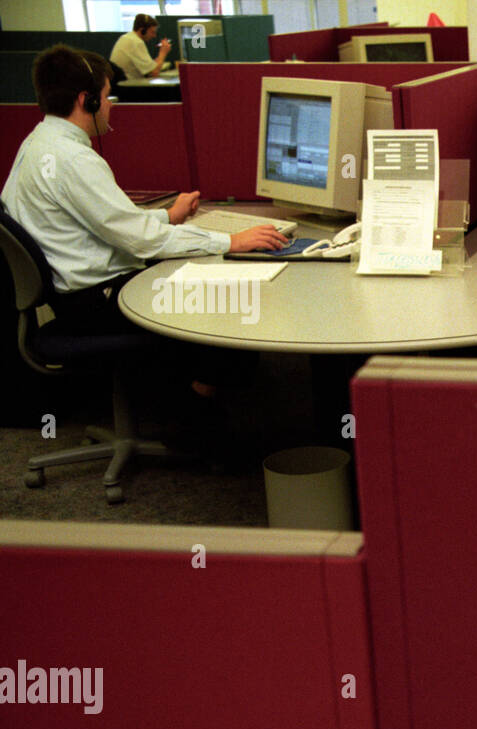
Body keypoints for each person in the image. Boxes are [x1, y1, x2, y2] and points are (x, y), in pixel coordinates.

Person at [3, 47, 288, 457]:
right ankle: (193, 411)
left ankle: (183, 397)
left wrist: (168, 217)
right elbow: (140, 242)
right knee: (239, 302)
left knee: (210, 283)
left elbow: (108, 222)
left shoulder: (37, 144)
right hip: (96, 302)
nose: (111, 106)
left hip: (71, 297)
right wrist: (231, 241)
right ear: (89, 100)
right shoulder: (74, 160)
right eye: (108, 95)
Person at [110, 13, 172, 80]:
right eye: (152, 32)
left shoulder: (127, 38)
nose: (154, 36)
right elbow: (154, 72)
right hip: (129, 85)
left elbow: (150, 67)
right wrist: (163, 53)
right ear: (142, 30)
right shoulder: (136, 42)